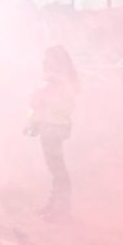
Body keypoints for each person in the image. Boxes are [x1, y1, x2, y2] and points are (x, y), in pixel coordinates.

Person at [25, 44, 80, 219]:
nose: (43, 61)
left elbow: (41, 102)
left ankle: (62, 209)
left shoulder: (57, 80)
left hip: (53, 127)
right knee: (55, 168)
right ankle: (55, 204)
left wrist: (37, 100)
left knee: (57, 168)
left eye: (47, 57)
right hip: (51, 126)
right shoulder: (57, 79)